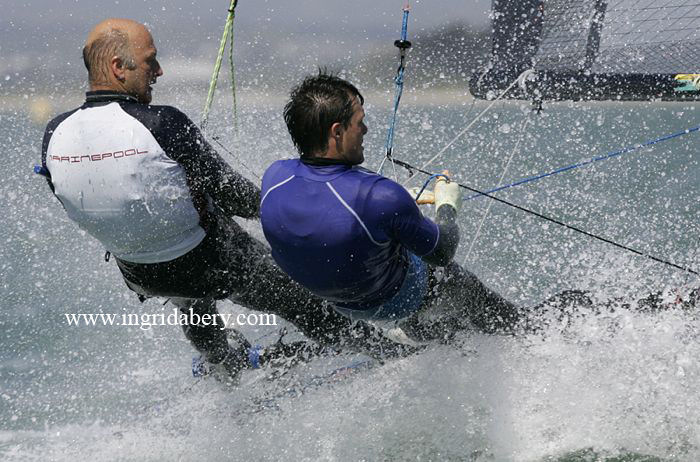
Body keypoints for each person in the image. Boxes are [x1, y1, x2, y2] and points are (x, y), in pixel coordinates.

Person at [38, 19, 417, 382]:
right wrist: (298, 206)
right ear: (120, 67)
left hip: (141, 275)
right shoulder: (161, 124)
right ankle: (387, 354)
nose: (160, 71)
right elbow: (233, 195)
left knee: (189, 299)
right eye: (151, 60)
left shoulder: (54, 134)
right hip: (210, 262)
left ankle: (223, 367)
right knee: (300, 302)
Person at [260, 72, 698, 341]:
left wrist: (389, 216)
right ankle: (613, 314)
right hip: (401, 295)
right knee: (495, 309)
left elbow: (335, 223)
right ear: (336, 132)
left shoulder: (274, 177)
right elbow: (442, 249)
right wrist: (446, 206)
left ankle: (428, 336)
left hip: (348, 305)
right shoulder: (379, 197)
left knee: (416, 293)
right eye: (359, 122)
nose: (367, 128)